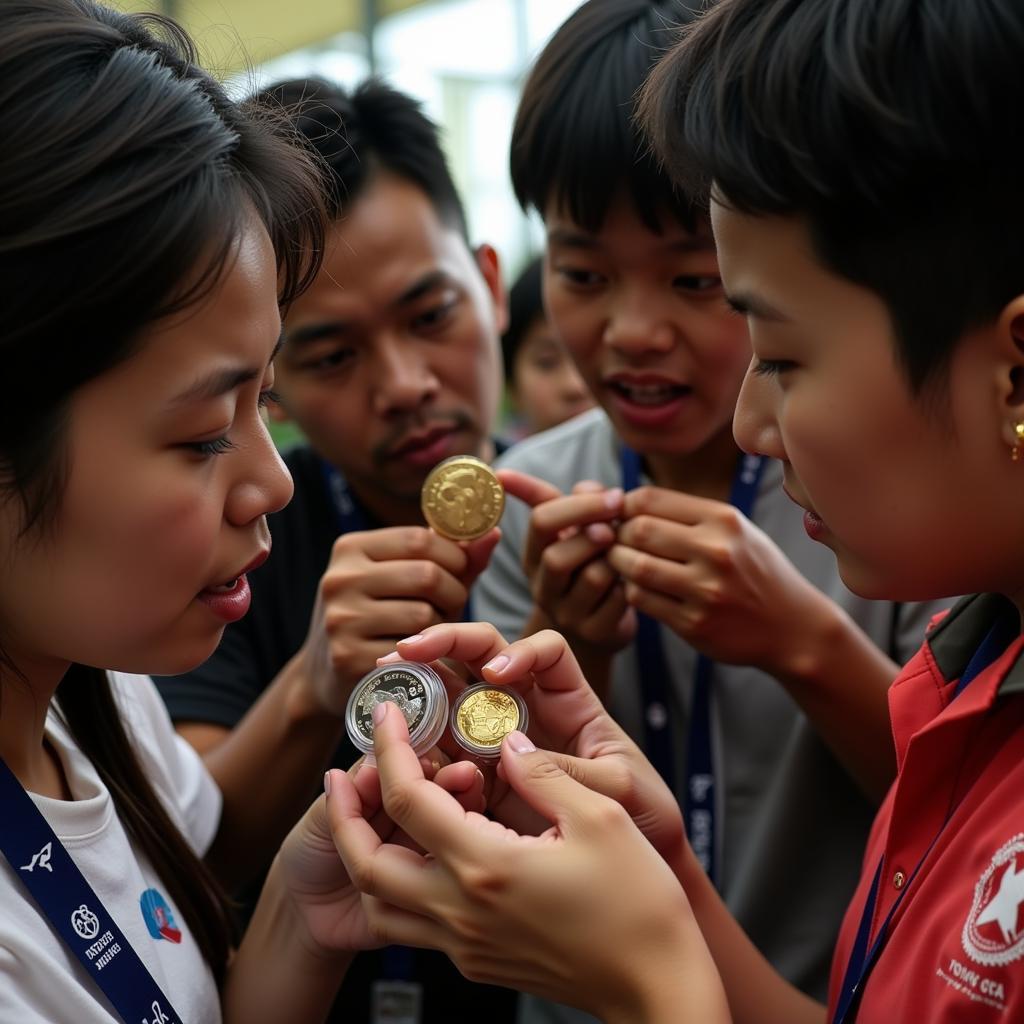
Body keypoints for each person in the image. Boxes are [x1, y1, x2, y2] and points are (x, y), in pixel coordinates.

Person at [328, 0, 1024, 1020]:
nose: (752, 421)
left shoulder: (925, 586)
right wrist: (667, 878)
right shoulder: (968, 655)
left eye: (777, 354)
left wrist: (659, 978)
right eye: (581, 274)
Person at [0, 2, 488, 1022]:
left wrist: (302, 922)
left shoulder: (103, 700)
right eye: (199, 436)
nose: (273, 483)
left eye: (261, 401)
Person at [473, 0, 947, 1010]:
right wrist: (567, 648)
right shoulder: (518, 501)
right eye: (582, 274)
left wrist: (799, 640)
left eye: (697, 282)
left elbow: (959, 815)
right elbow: (493, 846)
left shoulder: (890, 514)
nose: (633, 330)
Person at [153, 77, 516, 1021]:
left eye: (431, 315)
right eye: (331, 356)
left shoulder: (593, 517)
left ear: (489, 282)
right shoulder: (232, 543)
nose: (402, 384)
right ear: (272, 382)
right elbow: (189, 848)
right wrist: (317, 681)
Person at [501, 256, 593, 437]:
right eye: (547, 363)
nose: (574, 385)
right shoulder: (503, 464)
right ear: (512, 386)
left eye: (587, 354)